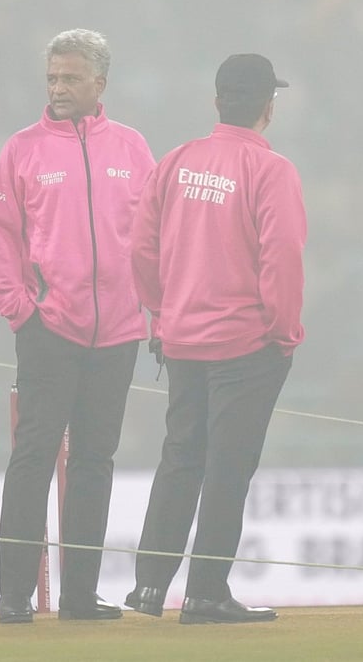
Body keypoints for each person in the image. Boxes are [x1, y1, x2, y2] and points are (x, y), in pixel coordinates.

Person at [123, 53, 306, 624]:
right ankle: (205, 593)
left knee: (180, 459)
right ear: (268, 108)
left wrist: (162, 310)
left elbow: (141, 248)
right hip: (246, 345)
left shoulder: (177, 160)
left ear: (217, 101)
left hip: (181, 340)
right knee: (228, 468)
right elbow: (282, 257)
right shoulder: (271, 171)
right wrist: (284, 331)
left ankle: (149, 588)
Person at [0, 29, 154, 624]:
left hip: (118, 336)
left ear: (99, 84)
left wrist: (151, 308)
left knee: (94, 462)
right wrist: (19, 311)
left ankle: (80, 596)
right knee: (32, 458)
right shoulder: (22, 150)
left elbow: (154, 240)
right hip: (49, 329)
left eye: (70, 78)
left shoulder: (134, 149)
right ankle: (14, 597)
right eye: (52, 77)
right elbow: (1, 238)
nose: (58, 87)